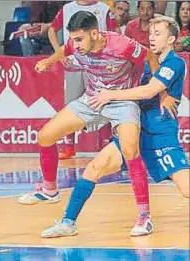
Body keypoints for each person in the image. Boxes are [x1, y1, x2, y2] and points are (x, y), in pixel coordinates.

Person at [39, 15, 189, 239]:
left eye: (158, 34)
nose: (152, 38)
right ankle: (68, 222)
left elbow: (148, 91)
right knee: (94, 167)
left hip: (159, 133)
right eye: (150, 34)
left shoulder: (175, 62)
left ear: (171, 39)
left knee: (186, 189)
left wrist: (110, 95)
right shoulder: (147, 61)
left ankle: (144, 217)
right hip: (136, 125)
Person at [18, 11, 159, 236]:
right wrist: (49, 60)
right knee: (45, 135)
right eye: (73, 38)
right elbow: (66, 49)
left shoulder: (122, 45)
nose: (75, 44)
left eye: (79, 39)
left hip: (123, 101)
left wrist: (155, 88)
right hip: (92, 99)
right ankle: (49, 190)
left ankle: (144, 216)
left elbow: (150, 57)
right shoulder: (77, 44)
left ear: (94, 33)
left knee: (130, 150)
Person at [48, 0, 119, 159]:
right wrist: (59, 55)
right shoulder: (67, 8)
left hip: (98, 64)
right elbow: (52, 30)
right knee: (71, 105)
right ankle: (69, 147)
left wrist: (110, 56)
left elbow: (116, 32)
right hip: (74, 64)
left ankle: (107, 144)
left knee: (103, 102)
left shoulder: (103, 8)